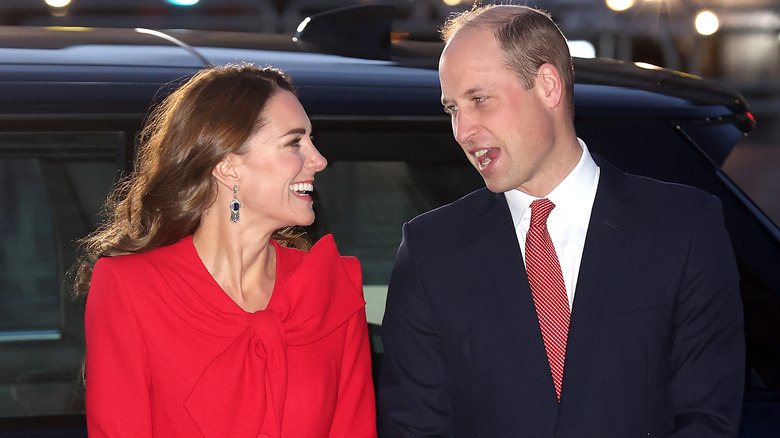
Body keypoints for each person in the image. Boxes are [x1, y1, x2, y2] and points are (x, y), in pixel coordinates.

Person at [378, 4, 745, 437]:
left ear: (548, 85)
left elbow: (707, 419)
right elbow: (414, 427)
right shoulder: (430, 250)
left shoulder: (682, 228)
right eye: (452, 109)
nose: (462, 130)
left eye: (479, 100)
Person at [74, 64, 377, 438]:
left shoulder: (330, 286)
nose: (318, 160)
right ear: (228, 166)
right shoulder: (131, 289)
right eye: (294, 142)